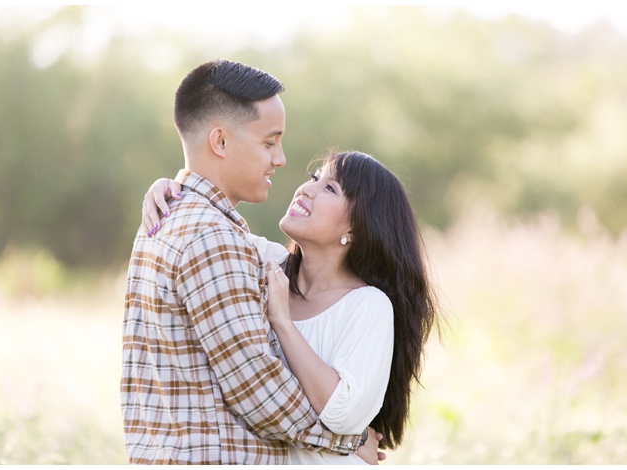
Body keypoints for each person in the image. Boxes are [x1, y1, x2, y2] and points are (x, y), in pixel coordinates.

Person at [122, 59, 379, 465]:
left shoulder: (168, 218)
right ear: (220, 142)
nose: (280, 159)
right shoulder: (212, 238)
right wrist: (349, 440)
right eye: (268, 142)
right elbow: (257, 388)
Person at [143, 150, 440, 464]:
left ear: (355, 228)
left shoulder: (368, 306)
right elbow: (206, 226)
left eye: (329, 188)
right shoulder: (264, 261)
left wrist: (282, 321)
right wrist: (171, 189)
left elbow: (342, 414)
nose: (306, 189)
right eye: (314, 178)